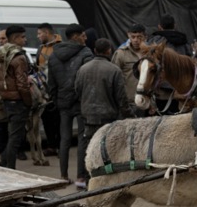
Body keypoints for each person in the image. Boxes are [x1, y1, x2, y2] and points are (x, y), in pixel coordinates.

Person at [75, 37, 131, 185]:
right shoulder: (114, 70)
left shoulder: (83, 69)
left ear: (95, 50)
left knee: (89, 148)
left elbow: (77, 91)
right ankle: (107, 181)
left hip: (88, 117)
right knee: (108, 150)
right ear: (109, 51)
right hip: (108, 118)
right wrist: (130, 116)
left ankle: (89, 180)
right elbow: (122, 99)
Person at [47, 24, 93, 187]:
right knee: (82, 139)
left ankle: (63, 176)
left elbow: (51, 83)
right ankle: (81, 177)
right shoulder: (86, 53)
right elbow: (88, 80)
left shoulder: (53, 55)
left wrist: (57, 100)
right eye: (83, 35)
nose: (85, 38)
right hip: (81, 102)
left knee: (64, 139)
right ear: (76, 36)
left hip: (63, 103)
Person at [0, 25, 33, 169]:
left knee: (12, 136)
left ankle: (3, 164)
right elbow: (22, 84)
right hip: (18, 102)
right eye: (23, 37)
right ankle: (10, 169)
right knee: (15, 139)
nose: (25, 40)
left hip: (6, 99)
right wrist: (28, 102)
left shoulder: (0, 54)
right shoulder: (19, 57)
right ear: (15, 38)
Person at [35, 23, 61, 157]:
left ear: (47, 33)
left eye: (40, 33)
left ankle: (61, 147)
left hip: (58, 90)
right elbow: (37, 68)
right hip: (43, 91)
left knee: (59, 120)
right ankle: (51, 146)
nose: (38, 36)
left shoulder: (60, 47)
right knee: (46, 118)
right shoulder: (40, 49)